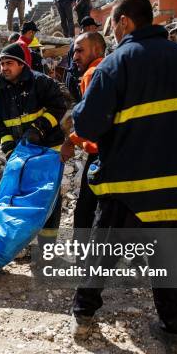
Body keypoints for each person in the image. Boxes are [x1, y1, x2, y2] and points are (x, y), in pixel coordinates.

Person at [69, 0, 177, 354]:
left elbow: (87, 124)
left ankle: (84, 316)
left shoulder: (116, 63)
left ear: (123, 22)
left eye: (112, 25)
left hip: (126, 184)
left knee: (103, 252)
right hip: (175, 186)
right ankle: (173, 331)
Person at [0, 43, 66, 251]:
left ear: (21, 64)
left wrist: (39, 128)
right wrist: (9, 151)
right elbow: (1, 125)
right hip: (21, 154)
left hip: (48, 150)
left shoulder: (41, 82)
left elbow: (59, 106)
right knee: (21, 198)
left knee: (49, 198)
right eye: (1, 64)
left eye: (9, 63)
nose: (4, 68)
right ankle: (22, 244)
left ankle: (47, 248)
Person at [59, 32, 105, 245]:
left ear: (96, 49)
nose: (74, 56)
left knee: (86, 209)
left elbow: (91, 120)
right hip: (117, 151)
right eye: (73, 51)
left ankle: (83, 258)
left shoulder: (92, 74)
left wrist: (70, 141)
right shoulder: (111, 69)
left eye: (80, 50)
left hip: (100, 153)